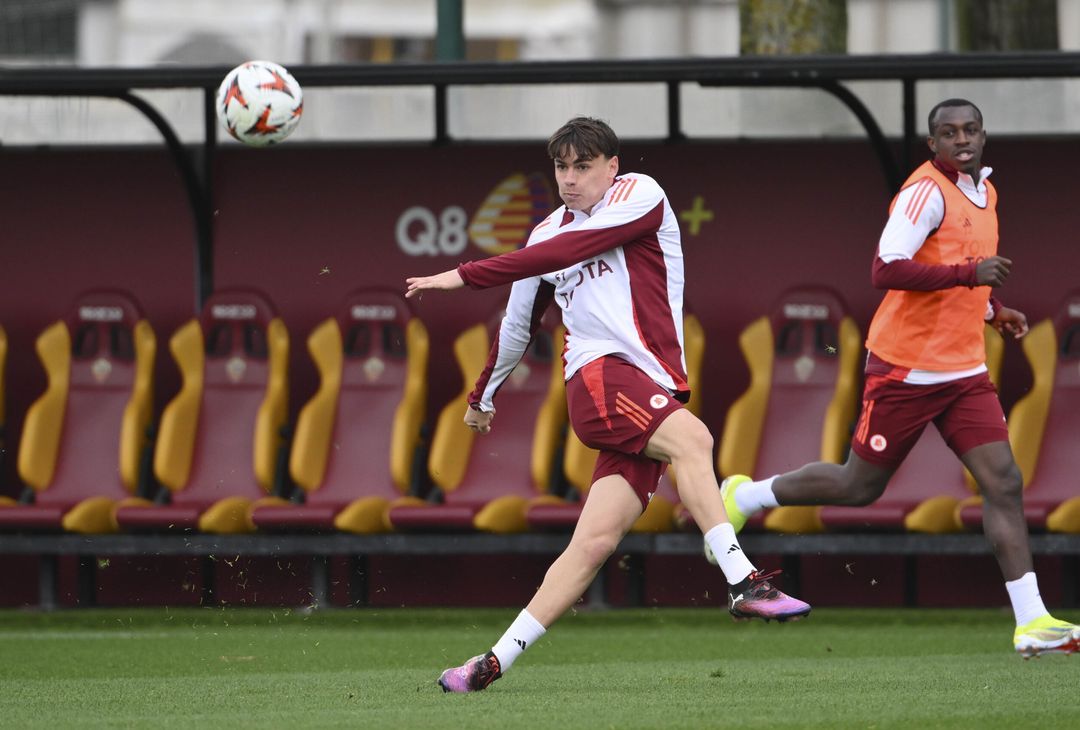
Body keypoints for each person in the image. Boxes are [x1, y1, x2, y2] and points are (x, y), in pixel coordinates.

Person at [406, 117, 811, 693]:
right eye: (561, 168)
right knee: (694, 440)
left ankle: (489, 664)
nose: (569, 180)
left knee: (593, 545)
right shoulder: (546, 234)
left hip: (648, 389)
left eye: (582, 167)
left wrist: (462, 276)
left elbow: (572, 246)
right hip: (599, 381)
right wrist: (483, 396)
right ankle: (744, 582)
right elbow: (518, 325)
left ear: (611, 167)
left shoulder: (640, 195)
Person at [717, 98, 1079, 658]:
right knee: (858, 486)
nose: (962, 139)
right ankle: (747, 494)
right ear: (931, 144)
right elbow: (885, 267)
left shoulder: (985, 192)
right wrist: (969, 275)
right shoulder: (924, 191)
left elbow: (966, 266)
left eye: (971, 130)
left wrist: (991, 307)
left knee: (1004, 482)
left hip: (964, 371)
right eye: (948, 133)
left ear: (984, 136)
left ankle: (1032, 623)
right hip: (906, 369)